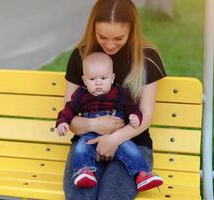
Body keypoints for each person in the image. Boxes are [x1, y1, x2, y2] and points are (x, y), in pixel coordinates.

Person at [63, 0, 167, 199]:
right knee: (81, 196)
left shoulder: (147, 58)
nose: (110, 45)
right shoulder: (81, 57)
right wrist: (95, 124)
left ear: (132, 30)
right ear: (93, 28)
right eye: (102, 37)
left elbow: (145, 115)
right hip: (87, 145)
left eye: (119, 38)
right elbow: (70, 120)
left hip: (133, 145)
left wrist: (114, 139)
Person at [56, 52, 163, 190]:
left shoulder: (119, 93)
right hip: (90, 135)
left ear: (112, 78)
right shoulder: (81, 96)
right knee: (81, 147)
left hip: (115, 135)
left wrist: (135, 116)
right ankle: (83, 171)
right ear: (84, 81)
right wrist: (62, 122)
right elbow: (68, 110)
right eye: (92, 79)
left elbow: (131, 107)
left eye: (103, 78)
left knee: (129, 148)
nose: (98, 82)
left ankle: (143, 173)